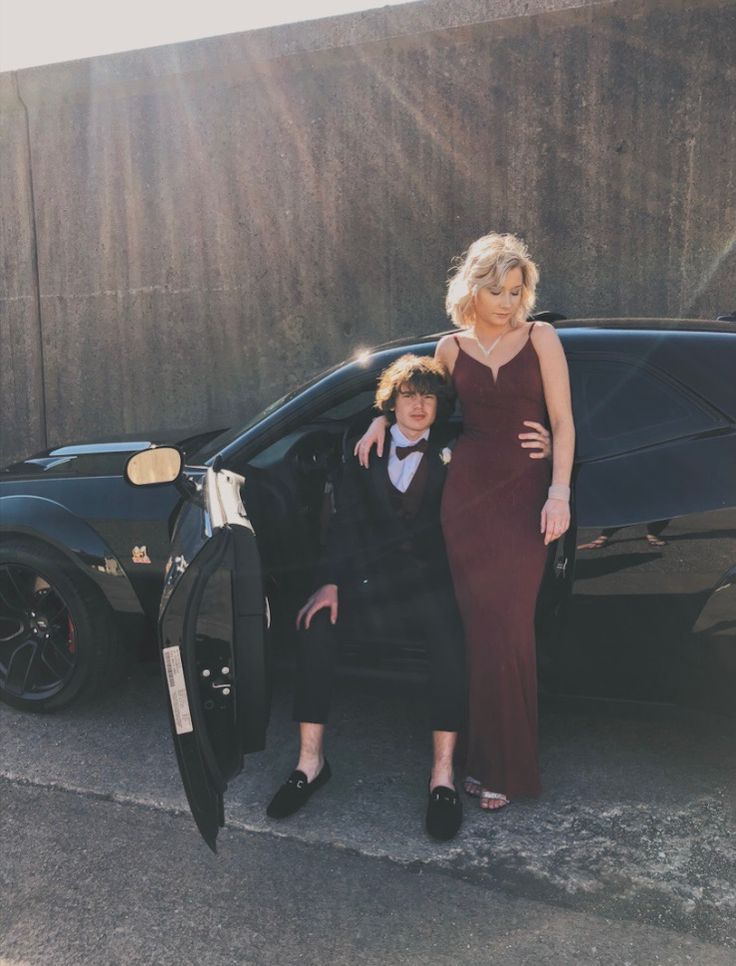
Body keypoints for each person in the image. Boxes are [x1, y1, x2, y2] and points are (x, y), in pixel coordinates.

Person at [267, 353, 551, 838]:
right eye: (408, 396)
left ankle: (442, 775)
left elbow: (505, 446)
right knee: (316, 625)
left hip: (431, 585)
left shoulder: (458, 446)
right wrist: (331, 580)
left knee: (450, 638)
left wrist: (548, 443)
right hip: (368, 585)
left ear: (441, 406)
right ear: (390, 403)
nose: (419, 406)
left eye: (428, 398)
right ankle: (309, 764)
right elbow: (345, 522)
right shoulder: (365, 446)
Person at [356, 233, 575, 811]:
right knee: (478, 634)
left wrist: (559, 490)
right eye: (496, 289)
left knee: (510, 629)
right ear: (472, 289)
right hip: (468, 499)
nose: (508, 301)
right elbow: (419, 401)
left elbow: (564, 421)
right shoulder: (450, 349)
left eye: (516, 289)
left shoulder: (541, 338)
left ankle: (510, 766)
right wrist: (382, 420)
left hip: (526, 496)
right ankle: (478, 763)